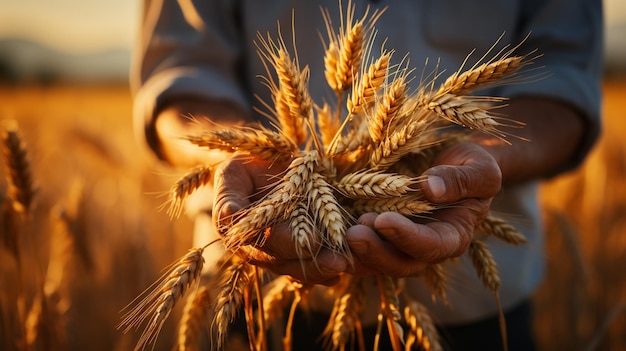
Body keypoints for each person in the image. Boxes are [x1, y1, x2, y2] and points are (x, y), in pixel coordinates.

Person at [131, 1, 603, 350]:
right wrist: (239, 156)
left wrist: (485, 157)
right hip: (253, 297)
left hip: (468, 316)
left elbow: (566, 81)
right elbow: (179, 78)